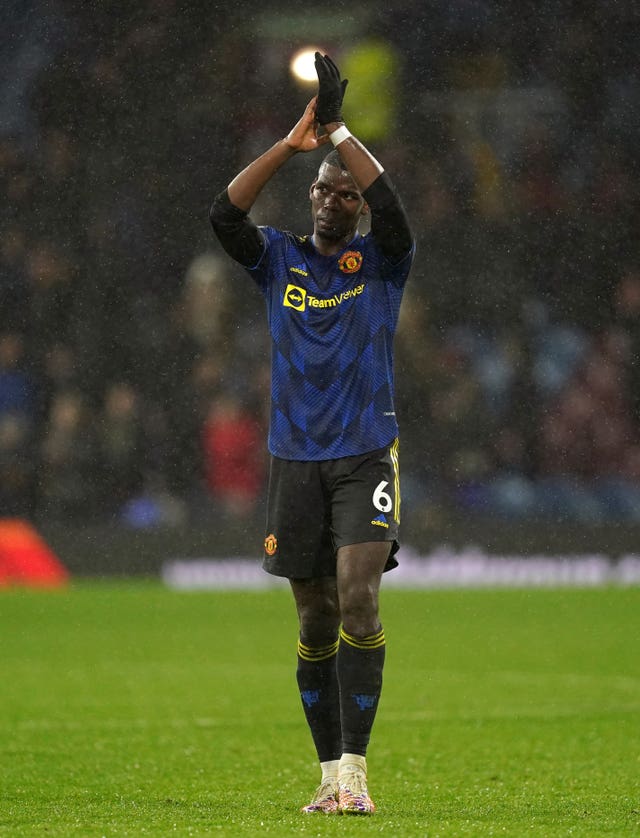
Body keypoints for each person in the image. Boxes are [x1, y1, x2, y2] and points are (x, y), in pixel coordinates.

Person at [210, 53, 414, 815]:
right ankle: (327, 776)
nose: (331, 200)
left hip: (364, 453)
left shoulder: (381, 265)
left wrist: (340, 131)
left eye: (345, 192)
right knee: (315, 617)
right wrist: (294, 145)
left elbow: (397, 210)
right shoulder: (280, 260)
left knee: (359, 600)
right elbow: (224, 217)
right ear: (312, 197)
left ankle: (357, 774)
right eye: (322, 189)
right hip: (294, 460)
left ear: (357, 206)